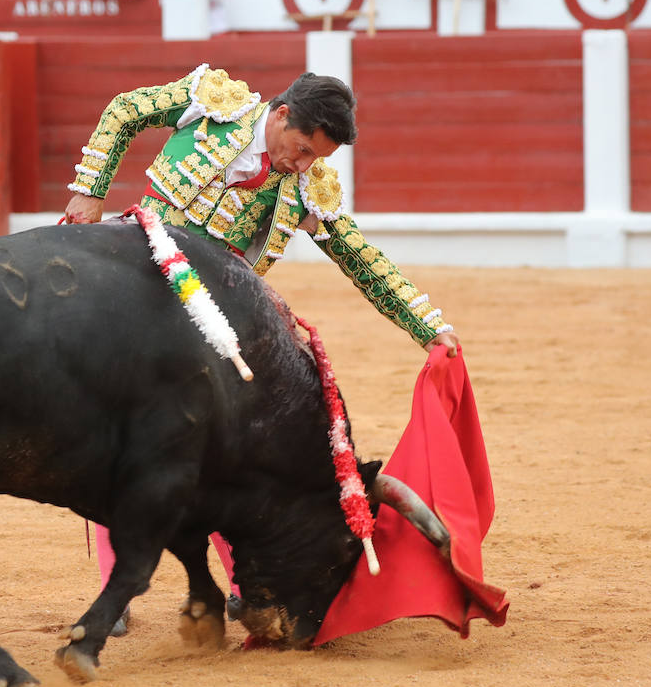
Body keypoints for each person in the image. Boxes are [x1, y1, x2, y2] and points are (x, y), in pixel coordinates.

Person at [64, 68, 462, 629]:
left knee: (238, 445)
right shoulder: (213, 104)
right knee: (124, 435)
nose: (301, 165)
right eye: (299, 149)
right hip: (135, 288)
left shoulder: (304, 186)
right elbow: (126, 109)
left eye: (313, 159)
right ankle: (118, 587)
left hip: (215, 319)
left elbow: (360, 258)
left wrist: (427, 326)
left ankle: (246, 583)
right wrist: (90, 189)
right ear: (279, 116)